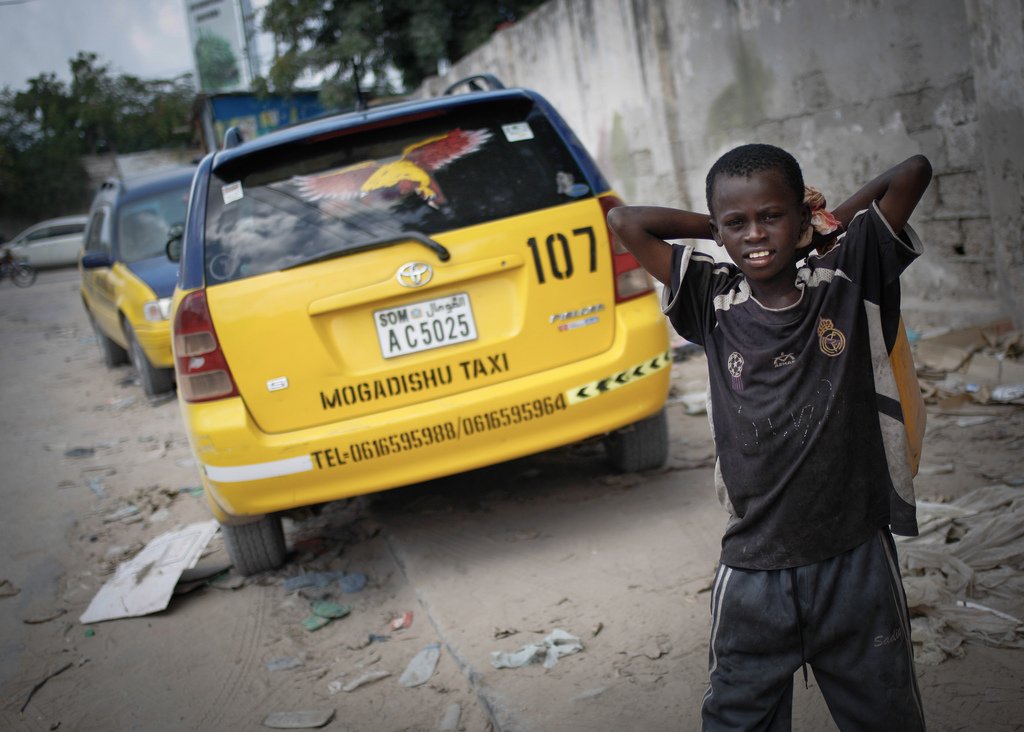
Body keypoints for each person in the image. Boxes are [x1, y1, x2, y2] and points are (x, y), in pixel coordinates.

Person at [607, 143, 933, 731]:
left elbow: (911, 173)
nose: (756, 234)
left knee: (885, 716)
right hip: (755, 568)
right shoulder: (714, 298)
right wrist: (723, 225)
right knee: (739, 718)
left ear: (801, 218)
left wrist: (823, 228)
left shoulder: (846, 277)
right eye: (737, 223)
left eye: (771, 216)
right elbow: (625, 221)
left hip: (855, 556)